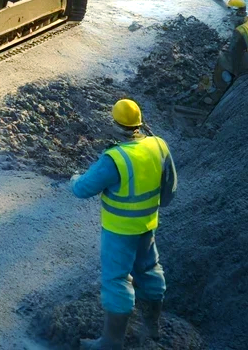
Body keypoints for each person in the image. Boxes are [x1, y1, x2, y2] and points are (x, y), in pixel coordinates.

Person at [70, 99, 177, 350]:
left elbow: (83, 189)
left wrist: (73, 179)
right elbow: (170, 190)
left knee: (116, 280)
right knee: (150, 270)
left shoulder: (115, 158)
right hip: (147, 224)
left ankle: (111, 342)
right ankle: (152, 327)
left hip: (119, 230)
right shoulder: (158, 146)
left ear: (115, 124)